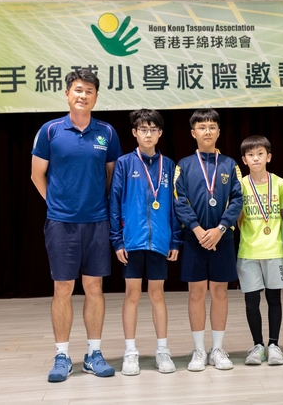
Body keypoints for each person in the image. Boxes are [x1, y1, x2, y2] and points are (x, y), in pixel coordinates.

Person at [31, 69, 121, 382]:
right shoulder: (50, 131)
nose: (83, 96)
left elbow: (111, 176)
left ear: (96, 97)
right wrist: (56, 204)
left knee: (94, 287)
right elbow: (37, 174)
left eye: (89, 91)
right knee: (63, 288)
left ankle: (94, 353)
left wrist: (96, 205)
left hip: (97, 222)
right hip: (61, 224)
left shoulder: (107, 133)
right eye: (78, 90)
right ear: (67, 93)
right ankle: (62, 356)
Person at [109, 109, 182, 376]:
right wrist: (117, 241)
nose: (148, 134)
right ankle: (130, 352)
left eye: (153, 129)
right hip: (132, 241)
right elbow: (115, 202)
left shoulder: (170, 166)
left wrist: (175, 239)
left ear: (160, 133)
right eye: (143, 129)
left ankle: (162, 350)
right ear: (134, 133)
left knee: (157, 294)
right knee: (132, 295)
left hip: (160, 241)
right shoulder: (124, 163)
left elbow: (175, 205)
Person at [173, 108, 243, 371]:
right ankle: (199, 350)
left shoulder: (230, 164)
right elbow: (178, 200)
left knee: (220, 292)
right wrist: (197, 229)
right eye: (202, 127)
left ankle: (217, 349)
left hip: (222, 238)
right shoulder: (183, 165)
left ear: (219, 132)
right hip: (195, 239)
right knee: (196, 293)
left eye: (212, 127)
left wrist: (220, 229)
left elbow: (237, 199)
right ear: (193, 132)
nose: (207, 131)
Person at [236, 135, 283, 366]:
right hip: (248, 251)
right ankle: (257, 345)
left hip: (275, 250)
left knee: (274, 299)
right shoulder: (240, 185)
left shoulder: (280, 184)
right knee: (251, 301)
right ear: (244, 160)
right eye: (250, 155)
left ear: (269, 156)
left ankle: (274, 345)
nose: (255, 158)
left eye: (260, 154)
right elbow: (238, 219)